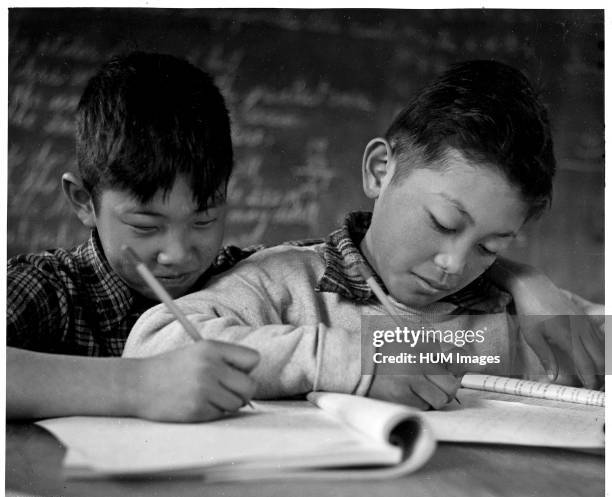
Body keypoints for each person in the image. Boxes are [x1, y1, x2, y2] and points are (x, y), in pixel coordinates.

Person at [124, 60, 604, 411]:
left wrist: (531, 284)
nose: (454, 264)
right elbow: (154, 344)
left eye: (490, 247)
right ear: (380, 171)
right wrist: (352, 361)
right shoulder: (286, 283)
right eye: (442, 224)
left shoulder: (526, 314)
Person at [7, 52, 261, 422]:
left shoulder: (253, 279)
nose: (177, 254)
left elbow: (377, 343)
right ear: (84, 201)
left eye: (204, 220)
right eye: (145, 226)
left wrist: (367, 355)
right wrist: (139, 384)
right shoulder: (52, 289)